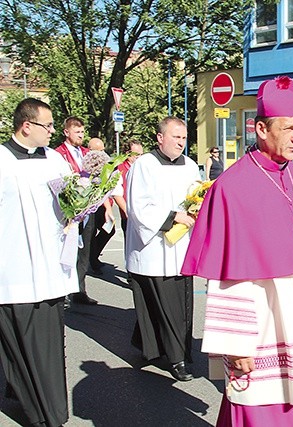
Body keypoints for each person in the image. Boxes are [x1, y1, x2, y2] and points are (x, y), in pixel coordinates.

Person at [182, 76, 293, 426]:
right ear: (262, 128)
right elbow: (229, 275)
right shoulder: (233, 188)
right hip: (260, 331)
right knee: (257, 412)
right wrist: (236, 345)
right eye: (289, 127)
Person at [0, 98, 79, 426]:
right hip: (12, 270)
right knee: (18, 347)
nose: (51, 131)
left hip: (49, 270)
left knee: (47, 347)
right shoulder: (2, 160)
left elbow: (70, 202)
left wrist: (80, 208)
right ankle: (32, 405)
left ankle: (52, 412)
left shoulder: (54, 161)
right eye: (47, 126)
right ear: (26, 126)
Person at [125, 117, 200, 381]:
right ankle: (177, 359)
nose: (180, 142)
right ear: (159, 137)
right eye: (175, 137)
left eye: (183, 138)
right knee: (167, 305)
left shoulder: (190, 165)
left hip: (181, 246)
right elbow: (138, 206)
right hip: (155, 249)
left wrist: (197, 211)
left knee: (179, 304)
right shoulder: (144, 165)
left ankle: (153, 346)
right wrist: (173, 217)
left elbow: (197, 196)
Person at [55, 117, 100, 306]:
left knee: (84, 252)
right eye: (77, 132)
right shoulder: (58, 154)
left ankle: (79, 290)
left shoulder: (87, 153)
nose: (81, 135)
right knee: (67, 251)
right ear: (67, 132)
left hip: (87, 210)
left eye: (82, 132)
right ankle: (63, 291)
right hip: (70, 210)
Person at [87, 137, 117, 275]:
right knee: (91, 233)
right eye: (99, 150)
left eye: (103, 150)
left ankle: (92, 256)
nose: (102, 153)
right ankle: (92, 261)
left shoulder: (107, 164)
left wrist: (108, 208)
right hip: (90, 205)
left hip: (102, 204)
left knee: (109, 230)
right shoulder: (87, 164)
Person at [112, 139, 144, 247]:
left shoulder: (143, 167)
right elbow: (117, 194)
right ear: (127, 153)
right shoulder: (119, 169)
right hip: (129, 216)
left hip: (143, 214)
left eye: (141, 155)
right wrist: (128, 212)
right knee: (130, 248)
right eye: (136, 154)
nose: (139, 157)